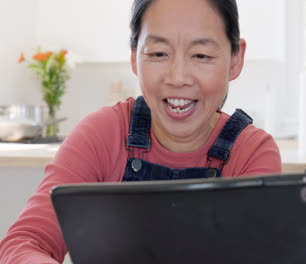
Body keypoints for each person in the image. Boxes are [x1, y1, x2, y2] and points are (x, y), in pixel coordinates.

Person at [0, 0, 281, 263]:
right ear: (135, 57)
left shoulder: (251, 152)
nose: (178, 77)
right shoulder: (101, 134)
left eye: (201, 55)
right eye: (158, 53)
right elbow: (24, 243)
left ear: (235, 59)